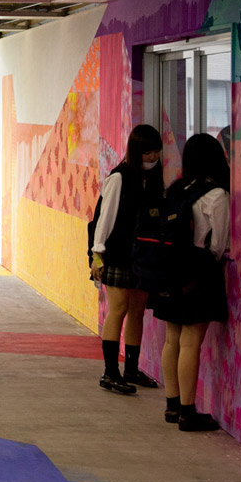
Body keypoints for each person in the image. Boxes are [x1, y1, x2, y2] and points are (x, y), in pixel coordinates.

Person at [151, 133, 231, 432]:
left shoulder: (177, 189)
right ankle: (188, 412)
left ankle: (172, 405)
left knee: (172, 339)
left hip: (169, 269)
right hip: (199, 271)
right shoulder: (216, 194)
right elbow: (218, 245)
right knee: (191, 342)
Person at [89, 124, 165, 395]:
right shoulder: (119, 177)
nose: (152, 158)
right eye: (147, 153)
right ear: (136, 152)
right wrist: (97, 254)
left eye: (156, 152)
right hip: (117, 253)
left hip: (143, 255)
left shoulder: (155, 178)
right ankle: (110, 372)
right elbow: (104, 218)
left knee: (137, 309)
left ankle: (131, 368)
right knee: (118, 308)